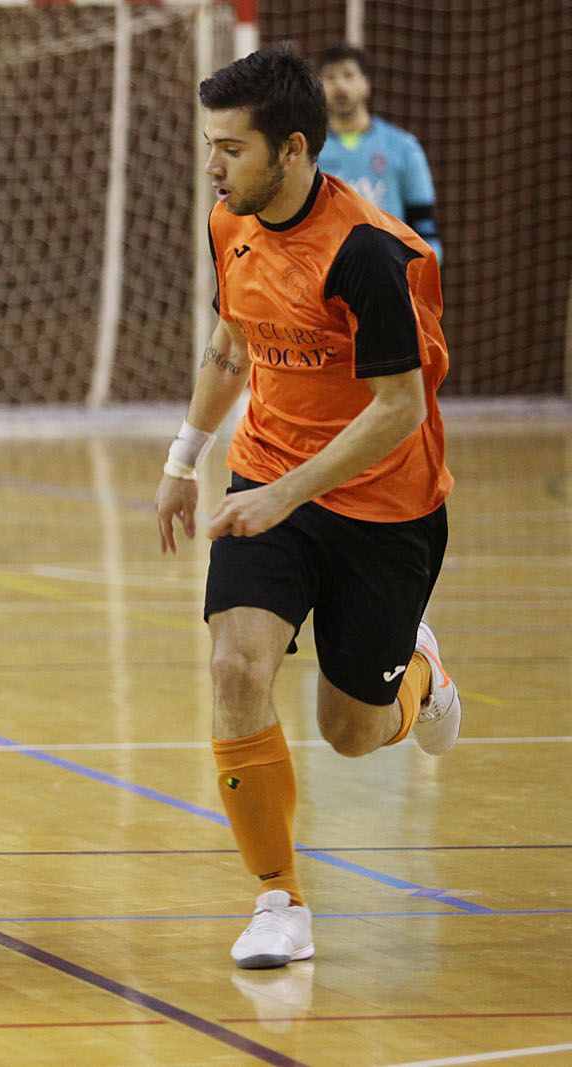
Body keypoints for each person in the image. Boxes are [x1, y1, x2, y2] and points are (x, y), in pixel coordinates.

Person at [154, 46, 459, 970]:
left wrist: (288, 493)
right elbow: (233, 341)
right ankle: (279, 899)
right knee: (234, 666)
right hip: (268, 477)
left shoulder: (368, 253)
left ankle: (422, 679)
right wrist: (185, 458)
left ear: (291, 149)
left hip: (384, 504)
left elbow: (401, 409)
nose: (214, 166)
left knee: (350, 732)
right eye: (211, 145)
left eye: (232, 149)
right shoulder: (229, 222)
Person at [316, 44, 443, 262]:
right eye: (330, 77)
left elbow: (424, 222)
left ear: (366, 85)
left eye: (348, 75)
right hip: (329, 270)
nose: (340, 86)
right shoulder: (308, 151)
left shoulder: (403, 147)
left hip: (390, 269)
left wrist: (423, 267)